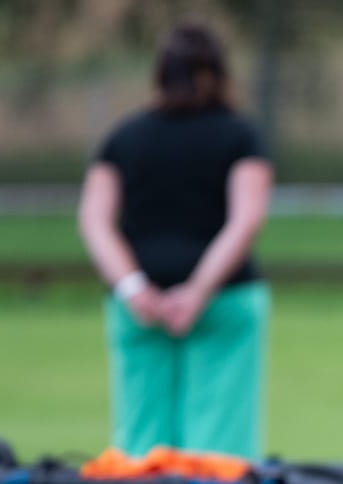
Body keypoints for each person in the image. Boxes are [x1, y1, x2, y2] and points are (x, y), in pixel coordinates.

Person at [77, 21, 273, 460]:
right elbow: (245, 219)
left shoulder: (124, 137)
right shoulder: (240, 135)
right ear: (220, 73)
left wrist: (133, 287)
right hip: (224, 301)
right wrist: (197, 292)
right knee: (218, 450)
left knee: (140, 444)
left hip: (138, 309)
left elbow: (94, 220)